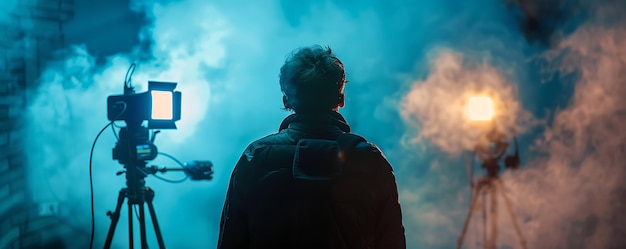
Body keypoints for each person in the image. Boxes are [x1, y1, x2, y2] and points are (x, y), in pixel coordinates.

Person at [217, 45, 406, 249]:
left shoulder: (257, 157)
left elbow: (232, 240)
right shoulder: (370, 160)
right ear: (340, 99)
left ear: (286, 99)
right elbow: (391, 240)